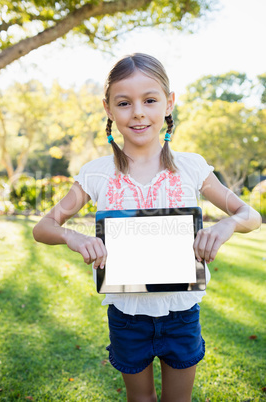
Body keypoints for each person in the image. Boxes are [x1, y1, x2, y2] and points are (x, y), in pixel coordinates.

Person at [33, 53, 261, 402]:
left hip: (182, 313)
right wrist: (71, 236)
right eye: (124, 103)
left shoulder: (191, 167)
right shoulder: (96, 173)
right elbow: (43, 227)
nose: (138, 112)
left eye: (150, 100)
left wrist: (229, 224)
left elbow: (251, 215)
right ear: (108, 109)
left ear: (169, 103)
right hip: (127, 318)